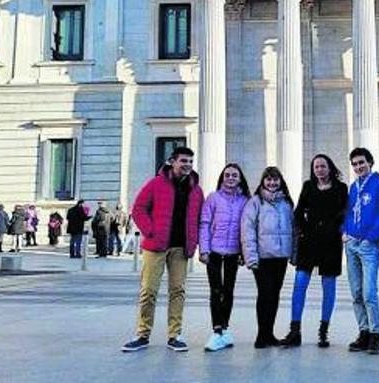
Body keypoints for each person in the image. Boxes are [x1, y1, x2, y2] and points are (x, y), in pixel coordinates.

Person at [122, 146, 204, 353]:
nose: (187, 165)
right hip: (156, 246)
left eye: (190, 162)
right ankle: (142, 334)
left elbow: (200, 218)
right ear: (172, 161)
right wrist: (150, 231)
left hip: (180, 248)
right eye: (183, 161)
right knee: (149, 291)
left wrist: (195, 243)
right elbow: (138, 209)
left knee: (178, 291)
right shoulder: (156, 183)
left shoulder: (196, 189)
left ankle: (174, 335)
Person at [280, 154, 348, 349]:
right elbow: (298, 211)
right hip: (309, 243)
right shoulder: (308, 186)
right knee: (299, 285)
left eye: (323, 166)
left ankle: (323, 331)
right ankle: (295, 330)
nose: (319, 169)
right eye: (316, 166)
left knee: (329, 287)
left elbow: (345, 212)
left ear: (330, 167)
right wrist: (304, 229)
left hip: (331, 244)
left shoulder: (341, 188)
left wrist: (335, 228)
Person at [343, 147, 379, 355]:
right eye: (355, 164)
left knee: (369, 292)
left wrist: (371, 236)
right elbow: (348, 211)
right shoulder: (354, 187)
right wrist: (344, 231)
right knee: (356, 292)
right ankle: (363, 331)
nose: (358, 167)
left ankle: (375, 333)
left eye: (361, 162)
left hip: (369, 245)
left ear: (370, 162)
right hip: (351, 244)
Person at [241, 166, 294, 349]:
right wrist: (251, 257)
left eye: (275, 179)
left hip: (280, 258)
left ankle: (269, 334)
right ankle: (261, 335)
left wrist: (293, 254)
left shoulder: (286, 203)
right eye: (268, 179)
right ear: (263, 181)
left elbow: (294, 230)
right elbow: (247, 231)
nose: (272, 183)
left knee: (275, 295)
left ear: (281, 181)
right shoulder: (255, 202)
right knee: (265, 295)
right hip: (263, 258)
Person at [198, 163, 250, 352]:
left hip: (233, 252)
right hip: (214, 252)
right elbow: (204, 223)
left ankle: (225, 329)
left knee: (228, 291)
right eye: (227, 175)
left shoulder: (244, 201)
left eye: (234, 175)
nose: (230, 178)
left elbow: (246, 229)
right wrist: (203, 249)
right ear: (222, 178)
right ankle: (217, 330)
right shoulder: (213, 198)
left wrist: (244, 253)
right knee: (215, 290)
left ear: (239, 179)